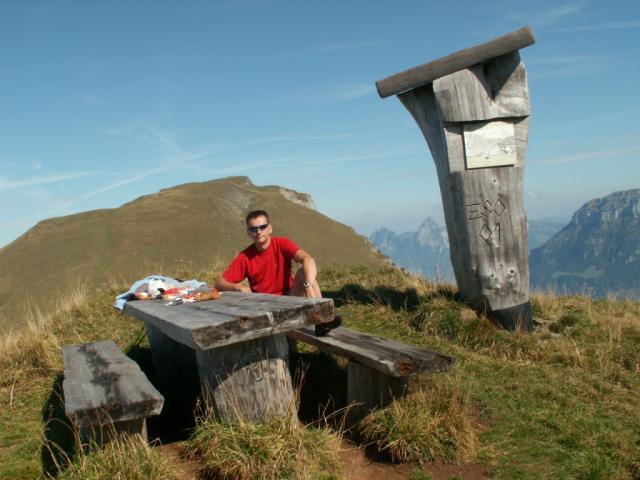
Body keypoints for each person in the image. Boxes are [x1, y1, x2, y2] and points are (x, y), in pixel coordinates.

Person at [215, 209, 340, 334]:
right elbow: (219, 283)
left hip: (291, 298)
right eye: (254, 229)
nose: (258, 232)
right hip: (266, 307)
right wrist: (237, 287)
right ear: (249, 233)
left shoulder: (281, 243)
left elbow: (308, 259)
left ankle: (322, 321)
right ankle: (319, 320)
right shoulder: (245, 257)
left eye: (262, 227)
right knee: (305, 274)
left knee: (304, 273)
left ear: (270, 228)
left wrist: (308, 285)